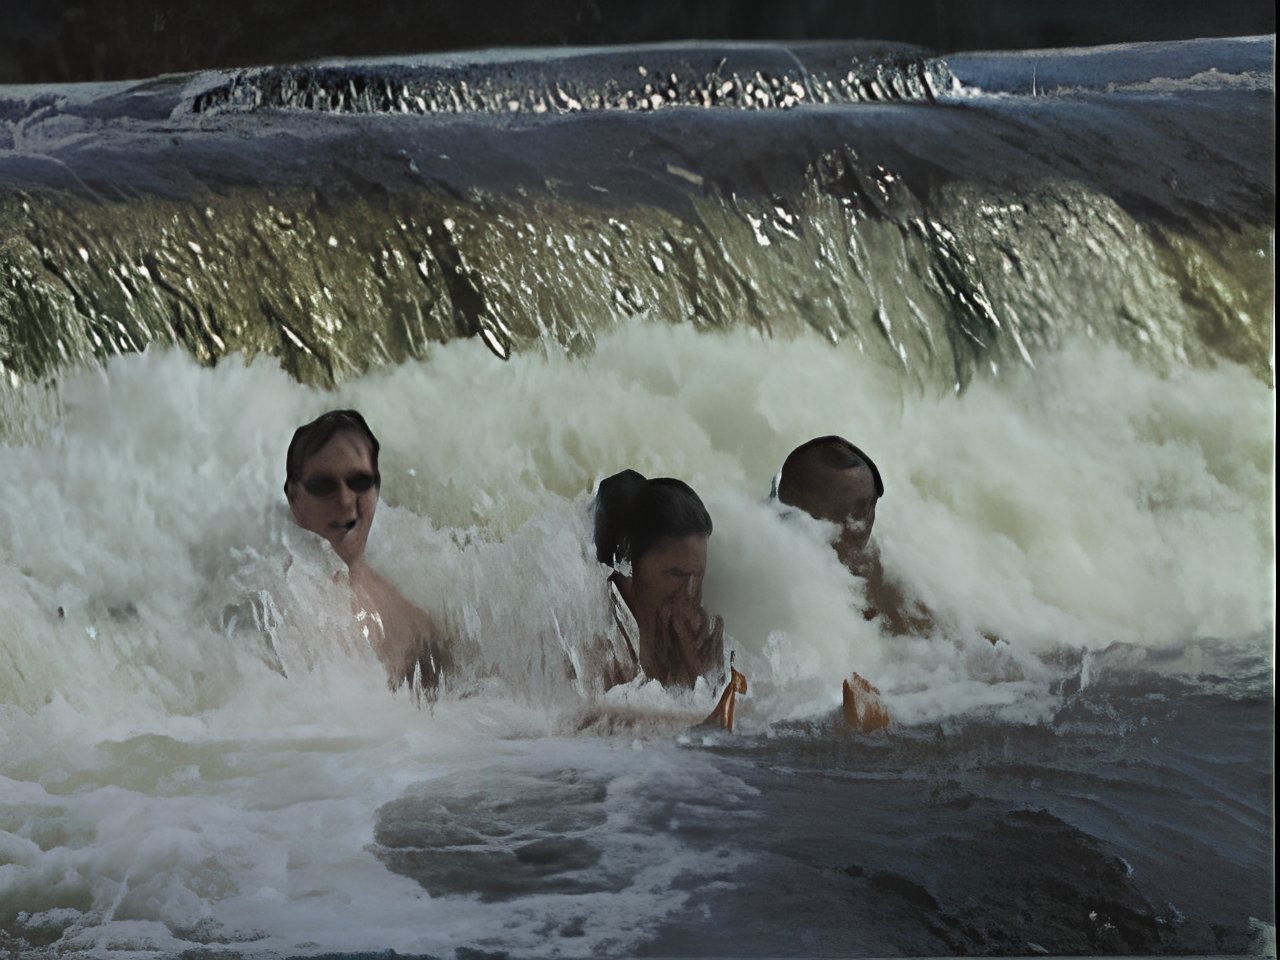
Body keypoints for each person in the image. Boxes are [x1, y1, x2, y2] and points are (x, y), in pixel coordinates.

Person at [284, 409, 450, 692]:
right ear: (294, 498)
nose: (345, 500)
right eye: (323, 486)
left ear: (376, 490)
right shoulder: (275, 609)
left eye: (359, 482)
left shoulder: (412, 624)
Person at [773, 435, 930, 636]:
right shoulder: (760, 565)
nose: (856, 527)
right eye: (834, 515)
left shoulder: (886, 571)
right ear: (796, 510)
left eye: (863, 510)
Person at [591, 470, 727, 690]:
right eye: (675, 574)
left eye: (698, 575)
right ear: (626, 564)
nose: (690, 593)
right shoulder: (595, 647)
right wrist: (693, 686)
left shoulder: (693, 638)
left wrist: (712, 680)